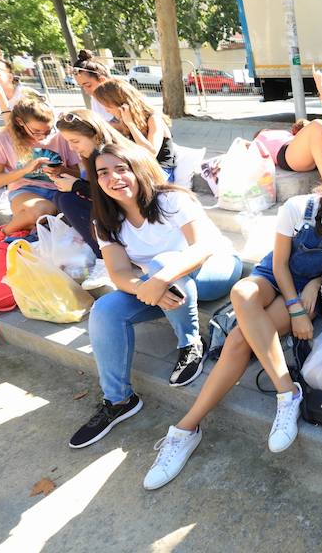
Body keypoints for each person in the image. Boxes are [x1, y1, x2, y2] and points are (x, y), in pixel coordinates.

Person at [141, 158, 322, 490]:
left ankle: (185, 429)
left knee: (238, 341)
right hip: (272, 278)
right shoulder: (298, 207)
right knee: (241, 290)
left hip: (304, 291)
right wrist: (295, 308)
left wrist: (313, 285)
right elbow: (279, 264)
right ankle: (286, 391)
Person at [68, 143, 242, 449]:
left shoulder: (172, 199)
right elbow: (120, 273)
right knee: (106, 309)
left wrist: (159, 279)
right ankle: (119, 399)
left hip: (214, 269)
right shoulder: (105, 220)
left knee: (164, 262)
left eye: (121, 169)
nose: (113, 178)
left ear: (137, 168)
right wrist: (146, 287)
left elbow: (201, 249)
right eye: (103, 173)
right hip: (165, 285)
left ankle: (190, 344)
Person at [53, 109, 136, 288]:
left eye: (75, 141)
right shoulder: (94, 154)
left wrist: (76, 186)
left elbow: (117, 194)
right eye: (68, 142)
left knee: (69, 200)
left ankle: (106, 259)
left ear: (96, 136)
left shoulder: (109, 155)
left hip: (133, 215)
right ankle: (97, 247)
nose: (71, 147)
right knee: (61, 196)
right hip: (118, 211)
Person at [0, 96, 80, 236]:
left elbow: (78, 175)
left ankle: (31, 229)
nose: (43, 137)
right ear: (20, 122)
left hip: (61, 188)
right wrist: (25, 170)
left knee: (63, 215)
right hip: (24, 190)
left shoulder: (60, 136)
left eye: (48, 131)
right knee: (42, 210)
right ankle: (2, 234)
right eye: (36, 131)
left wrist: (62, 170)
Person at [93, 79, 176, 180]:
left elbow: (151, 153)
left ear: (120, 102)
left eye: (107, 105)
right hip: (138, 170)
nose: (106, 110)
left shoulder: (154, 119)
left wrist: (130, 124)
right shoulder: (121, 122)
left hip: (159, 171)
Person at [71, 49, 115, 122]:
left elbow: (122, 126)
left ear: (102, 80)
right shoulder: (95, 98)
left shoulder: (118, 98)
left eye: (88, 85)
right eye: (82, 86)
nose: (86, 91)